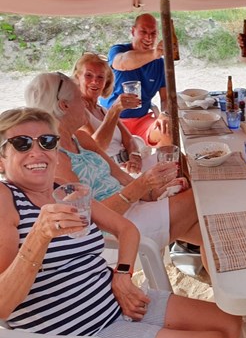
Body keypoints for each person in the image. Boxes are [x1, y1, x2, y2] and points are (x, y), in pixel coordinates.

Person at [0, 107, 241, 338]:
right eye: (21, 144)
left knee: (230, 324)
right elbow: (3, 306)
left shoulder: (65, 190)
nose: (37, 151)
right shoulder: (6, 200)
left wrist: (123, 274)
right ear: (2, 160)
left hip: (113, 302)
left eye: (47, 142)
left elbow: (126, 229)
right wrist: (38, 237)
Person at [25, 72, 201, 256]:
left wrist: (150, 193)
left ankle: (217, 269)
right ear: (64, 106)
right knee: (201, 199)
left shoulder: (81, 138)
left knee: (208, 231)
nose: (85, 104)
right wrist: (142, 185)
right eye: (80, 99)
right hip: (117, 228)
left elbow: (121, 176)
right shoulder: (56, 159)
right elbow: (88, 217)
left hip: (133, 206)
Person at [72, 52, 153, 174]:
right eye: (89, 75)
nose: (95, 81)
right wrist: (115, 110)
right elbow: (96, 148)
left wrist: (134, 157)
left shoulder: (103, 110)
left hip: (126, 167)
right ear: (78, 78)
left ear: (106, 82)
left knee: (176, 161)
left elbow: (130, 140)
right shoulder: (76, 110)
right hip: (108, 172)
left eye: (100, 77)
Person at [99, 13, 171, 147]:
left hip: (141, 121)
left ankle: (167, 166)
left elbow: (165, 98)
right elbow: (122, 63)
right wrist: (154, 53)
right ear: (133, 31)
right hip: (111, 121)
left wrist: (164, 114)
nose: (148, 37)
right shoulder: (118, 50)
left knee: (166, 130)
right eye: (143, 31)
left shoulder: (159, 64)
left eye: (153, 33)